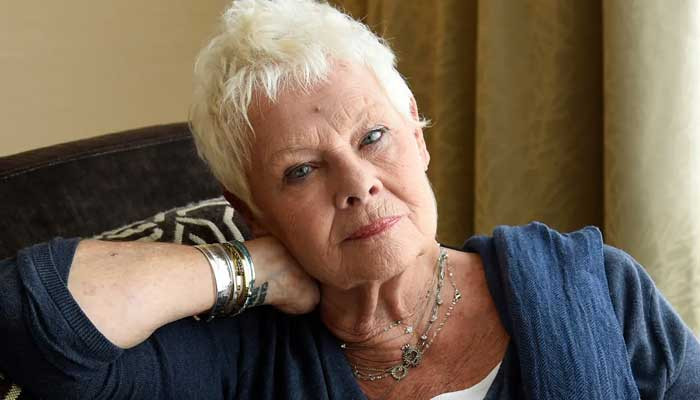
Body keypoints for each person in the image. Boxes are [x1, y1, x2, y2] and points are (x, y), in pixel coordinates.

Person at [1, 0, 698, 399]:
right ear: (250, 211)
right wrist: (250, 268)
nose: (358, 183)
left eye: (373, 136)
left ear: (417, 134)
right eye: (302, 171)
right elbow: (30, 319)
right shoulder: (239, 360)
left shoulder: (594, 287)